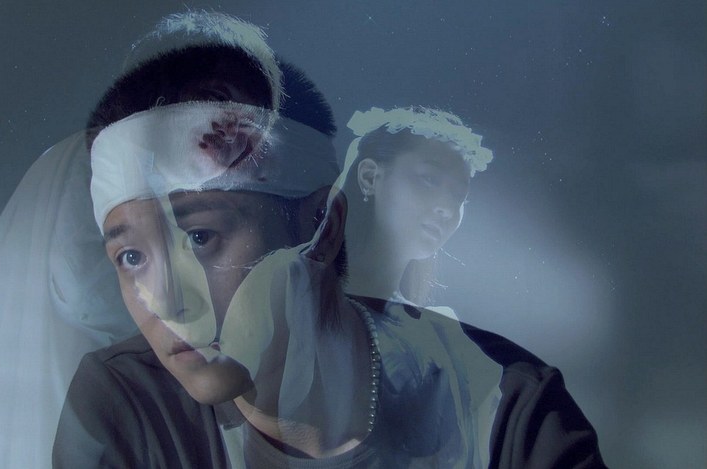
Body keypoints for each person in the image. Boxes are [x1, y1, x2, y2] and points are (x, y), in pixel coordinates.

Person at [54, 12, 606, 469]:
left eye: (201, 237)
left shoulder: (504, 405)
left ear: (322, 224)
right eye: (131, 256)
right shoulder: (125, 403)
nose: (165, 301)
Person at [340, 106, 492, 311]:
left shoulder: (440, 327)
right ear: (370, 177)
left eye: (459, 196)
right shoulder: (300, 281)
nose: (447, 208)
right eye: (429, 179)